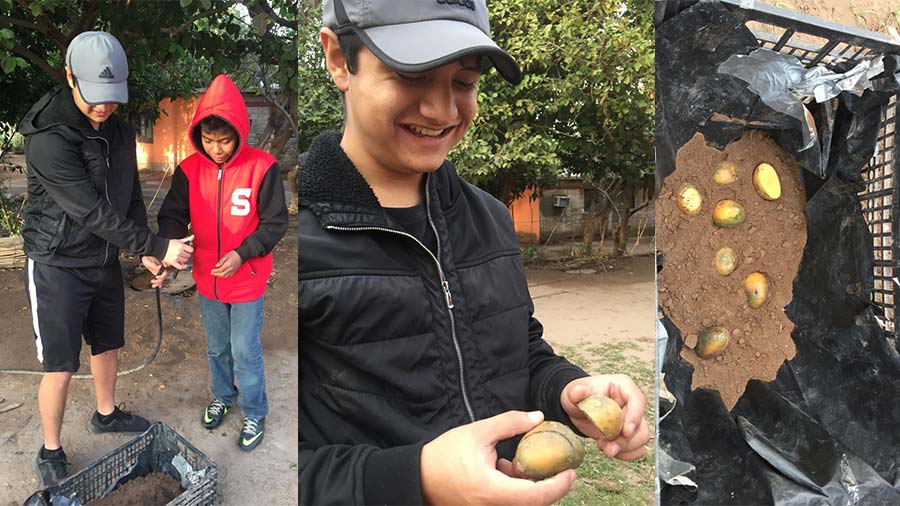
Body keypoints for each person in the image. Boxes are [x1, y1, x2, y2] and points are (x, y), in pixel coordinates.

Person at [298, 1, 652, 504]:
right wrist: (414, 477)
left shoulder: (490, 219)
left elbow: (517, 351)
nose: (443, 111)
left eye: (463, 82)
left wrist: (566, 390)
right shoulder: (298, 243)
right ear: (338, 60)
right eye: (410, 74)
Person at [18, 31, 193, 487]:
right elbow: (89, 210)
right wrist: (157, 246)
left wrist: (145, 251)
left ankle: (106, 413)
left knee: (108, 344)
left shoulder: (117, 128)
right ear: (70, 76)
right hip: (56, 261)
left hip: (101, 259)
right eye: (96, 99)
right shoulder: (49, 137)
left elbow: (127, 193)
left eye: (112, 99)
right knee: (60, 364)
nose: (104, 108)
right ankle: (51, 447)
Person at [155, 73, 288, 451]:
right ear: (200, 135)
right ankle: (222, 396)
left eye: (224, 140)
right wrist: (168, 246)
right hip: (208, 278)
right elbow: (171, 215)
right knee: (216, 347)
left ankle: (255, 412)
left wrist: (243, 252)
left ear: (240, 132)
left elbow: (276, 222)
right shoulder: (188, 169)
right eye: (209, 141)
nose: (216, 149)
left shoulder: (263, 167)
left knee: (244, 349)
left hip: (246, 277)